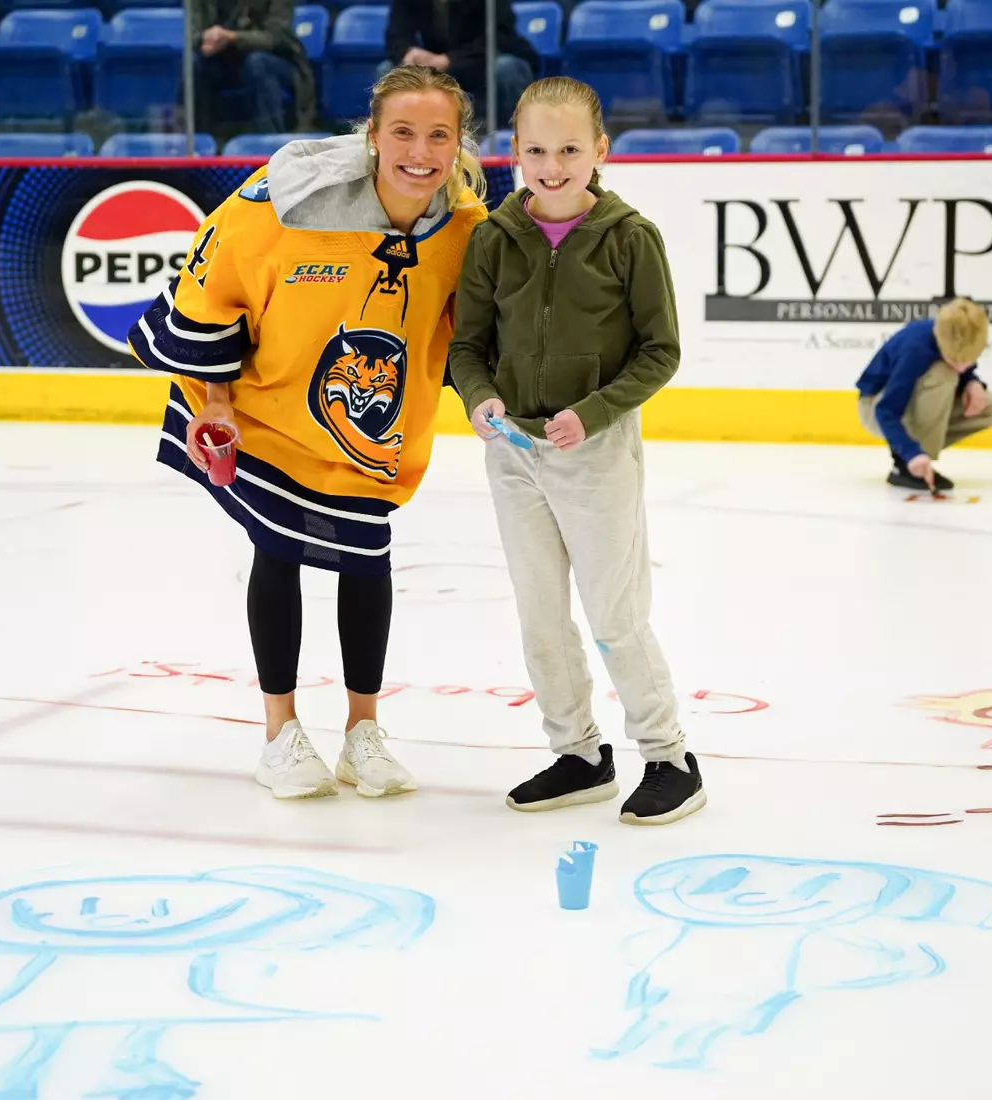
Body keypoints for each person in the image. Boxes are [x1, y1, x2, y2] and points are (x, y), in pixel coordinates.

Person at [127, 66, 488, 800]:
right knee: (278, 548)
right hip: (263, 411)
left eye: (438, 136)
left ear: (460, 143)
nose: (420, 152)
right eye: (403, 133)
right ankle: (279, 734)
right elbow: (215, 284)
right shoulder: (288, 204)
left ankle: (363, 734)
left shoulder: (463, 228)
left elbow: (473, 330)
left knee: (367, 559)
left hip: (369, 431)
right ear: (372, 136)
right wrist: (216, 400)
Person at [448, 77, 704, 826]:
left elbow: (660, 351)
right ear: (515, 152)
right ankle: (579, 754)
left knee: (615, 611)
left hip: (595, 451)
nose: (551, 166)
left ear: (600, 150)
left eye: (568, 150)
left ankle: (669, 757)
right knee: (540, 614)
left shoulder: (630, 238)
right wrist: (479, 397)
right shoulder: (494, 238)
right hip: (512, 451)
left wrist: (591, 415)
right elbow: (467, 347)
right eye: (535, 151)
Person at [854, 298, 992, 491]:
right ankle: (907, 466)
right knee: (944, 375)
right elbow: (885, 410)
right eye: (954, 360)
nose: (961, 367)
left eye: (968, 361)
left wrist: (972, 380)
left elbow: (962, 366)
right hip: (875, 406)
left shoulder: (958, 339)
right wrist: (911, 453)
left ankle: (917, 454)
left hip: (909, 406)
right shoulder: (915, 350)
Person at [378, 0, 538, 127]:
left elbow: (498, 38)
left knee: (505, 68)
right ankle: (402, 135)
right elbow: (396, 34)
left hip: (484, 62)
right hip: (437, 66)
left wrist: (449, 60)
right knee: (388, 70)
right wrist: (408, 54)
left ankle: (511, 138)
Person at [197, 0, 316, 134]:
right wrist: (205, 38)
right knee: (195, 61)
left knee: (257, 62)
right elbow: (194, 30)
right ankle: (198, 139)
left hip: (278, 60)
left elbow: (275, 38)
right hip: (227, 59)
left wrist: (232, 37)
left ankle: (270, 138)